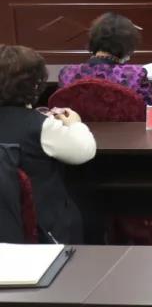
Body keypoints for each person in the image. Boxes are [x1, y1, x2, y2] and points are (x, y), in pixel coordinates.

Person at [0, 44, 96, 242]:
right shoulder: (41, 126)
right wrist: (75, 123)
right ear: (34, 85)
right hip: (41, 230)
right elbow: (84, 151)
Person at [58, 12, 152, 105]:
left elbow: (60, 109)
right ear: (127, 45)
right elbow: (151, 110)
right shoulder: (136, 74)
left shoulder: (67, 73)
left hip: (79, 119)